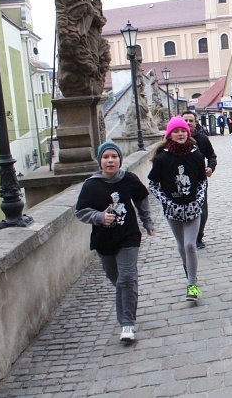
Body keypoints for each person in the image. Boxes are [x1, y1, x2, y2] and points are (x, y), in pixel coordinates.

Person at [75, 142, 155, 342]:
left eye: (114, 157)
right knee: (116, 279)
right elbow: (81, 211)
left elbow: (142, 199)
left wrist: (147, 222)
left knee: (127, 278)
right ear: (100, 161)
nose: (110, 160)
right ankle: (129, 299)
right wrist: (99, 217)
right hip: (104, 240)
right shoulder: (91, 185)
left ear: (119, 159)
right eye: (105, 157)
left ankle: (127, 324)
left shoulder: (129, 179)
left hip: (128, 235)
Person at [148, 116, 207, 302]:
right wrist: (166, 202)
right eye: (176, 131)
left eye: (183, 131)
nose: (180, 134)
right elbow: (153, 185)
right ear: (169, 135)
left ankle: (192, 284)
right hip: (172, 209)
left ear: (188, 133)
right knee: (181, 246)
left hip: (192, 208)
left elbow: (201, 182)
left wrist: (198, 200)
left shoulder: (196, 155)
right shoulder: (162, 158)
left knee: (190, 244)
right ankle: (188, 268)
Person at [182, 110, 217, 249]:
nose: (188, 123)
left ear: (196, 123)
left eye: (191, 120)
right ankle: (188, 236)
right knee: (184, 209)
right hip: (181, 182)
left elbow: (212, 156)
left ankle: (198, 236)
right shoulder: (175, 139)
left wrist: (210, 168)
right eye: (185, 120)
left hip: (199, 180)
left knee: (202, 210)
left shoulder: (202, 139)